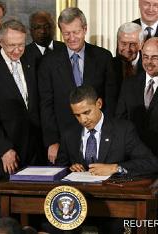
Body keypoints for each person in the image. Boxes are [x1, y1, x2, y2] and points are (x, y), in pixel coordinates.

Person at [55, 85, 158, 234]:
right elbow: (60, 166)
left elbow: (151, 163)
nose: (83, 120)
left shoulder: (123, 130)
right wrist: (70, 167)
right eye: (77, 115)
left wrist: (116, 167)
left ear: (99, 104)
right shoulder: (69, 133)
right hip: (78, 204)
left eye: (86, 112)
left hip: (115, 206)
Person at [38, 7, 118, 165]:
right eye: (66, 33)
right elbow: (46, 104)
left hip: (99, 137)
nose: (71, 37)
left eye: (76, 32)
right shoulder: (48, 62)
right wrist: (52, 141)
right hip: (63, 140)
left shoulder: (103, 57)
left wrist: (109, 136)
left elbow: (111, 100)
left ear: (85, 29)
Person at [116, 37, 158, 234]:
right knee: (138, 218)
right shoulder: (129, 84)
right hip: (135, 163)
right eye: (145, 57)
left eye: (155, 57)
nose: (149, 62)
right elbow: (120, 121)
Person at [0, 19, 43, 178]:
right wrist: (4, 149)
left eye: (21, 44)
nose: (17, 50)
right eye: (12, 45)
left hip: (36, 148)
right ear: (1, 42)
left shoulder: (33, 61)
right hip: (9, 150)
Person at [113, 22, 144, 93]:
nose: (127, 49)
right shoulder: (109, 65)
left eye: (132, 44)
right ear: (118, 43)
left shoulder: (149, 66)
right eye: (123, 44)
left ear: (141, 45)